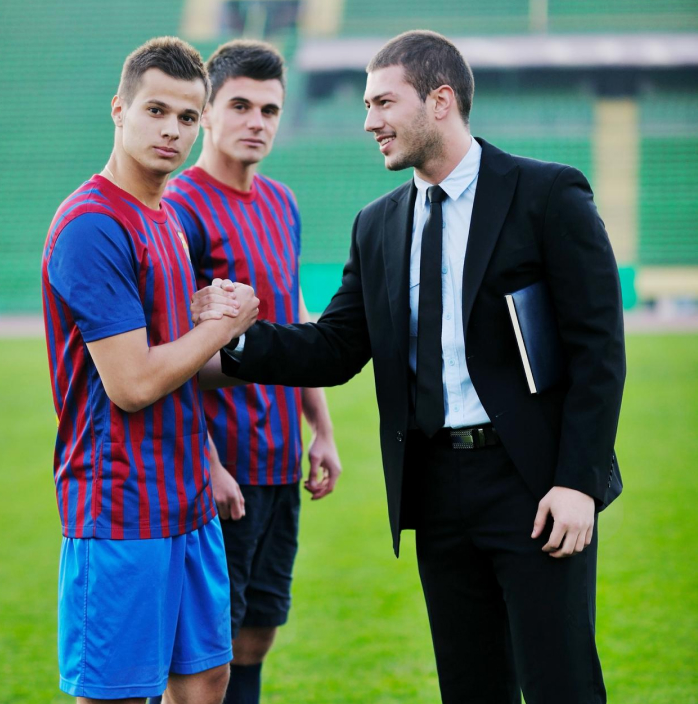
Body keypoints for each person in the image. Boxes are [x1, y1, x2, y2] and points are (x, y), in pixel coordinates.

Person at [197, 30, 626, 704]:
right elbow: (337, 347)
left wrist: (577, 482)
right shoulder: (378, 224)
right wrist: (231, 340)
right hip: (436, 488)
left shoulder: (546, 194)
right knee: (470, 689)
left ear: (440, 100)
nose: (369, 122)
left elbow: (598, 351)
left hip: (535, 484)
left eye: (383, 103)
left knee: (560, 684)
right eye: (367, 106)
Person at [41, 37, 260, 704]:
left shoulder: (164, 218)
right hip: (119, 508)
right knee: (117, 695)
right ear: (120, 109)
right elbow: (133, 384)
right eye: (156, 111)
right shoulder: (92, 225)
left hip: (185, 500)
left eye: (188, 117)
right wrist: (220, 326)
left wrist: (247, 343)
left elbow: (185, 364)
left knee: (206, 680)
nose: (172, 131)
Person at [149, 40, 341, 704]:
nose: (256, 121)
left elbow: (293, 322)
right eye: (240, 105)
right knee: (205, 654)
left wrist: (321, 428)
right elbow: (169, 350)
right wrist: (207, 464)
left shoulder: (281, 202)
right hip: (218, 470)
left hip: (280, 462)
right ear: (206, 111)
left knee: (258, 633)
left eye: (270, 109)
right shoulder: (180, 208)